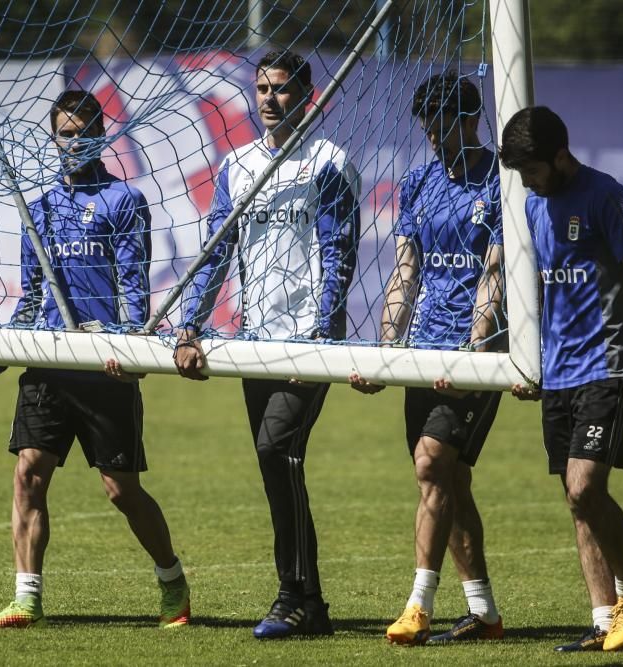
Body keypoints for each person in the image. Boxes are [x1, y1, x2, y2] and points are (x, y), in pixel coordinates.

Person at [0, 90, 190, 630]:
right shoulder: (37, 209)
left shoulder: (124, 201)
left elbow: (135, 290)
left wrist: (127, 347)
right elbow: (29, 301)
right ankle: (26, 600)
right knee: (28, 474)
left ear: (101, 134)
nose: (74, 141)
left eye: (84, 130)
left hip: (105, 370)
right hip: (50, 370)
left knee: (119, 488)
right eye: (65, 132)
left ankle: (172, 581)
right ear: (53, 137)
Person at [174, 50, 360, 639]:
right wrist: (189, 325)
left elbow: (340, 254)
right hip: (255, 341)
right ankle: (312, 605)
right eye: (261, 90)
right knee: (276, 460)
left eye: (281, 89)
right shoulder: (236, 165)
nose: (269, 101)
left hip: (307, 342)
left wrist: (321, 340)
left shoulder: (329, 162)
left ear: (307, 93)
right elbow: (215, 252)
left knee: (276, 449)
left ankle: (292, 595)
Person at [349, 73, 505, 645]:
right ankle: (484, 613)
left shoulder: (501, 180)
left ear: (471, 119)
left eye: (444, 121)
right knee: (449, 479)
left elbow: (496, 271)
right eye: (427, 123)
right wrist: (389, 347)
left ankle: (418, 605)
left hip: (477, 352)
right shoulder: (417, 183)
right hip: (423, 348)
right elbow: (405, 269)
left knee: (431, 464)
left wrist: (476, 347)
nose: (434, 133)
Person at [499, 105, 623, 652]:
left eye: (532, 169)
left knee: (584, 486)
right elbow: (539, 288)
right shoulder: (531, 204)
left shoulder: (604, 195)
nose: (527, 181)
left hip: (609, 366)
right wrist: (526, 360)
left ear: (560, 156)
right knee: (576, 500)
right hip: (558, 373)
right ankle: (602, 619)